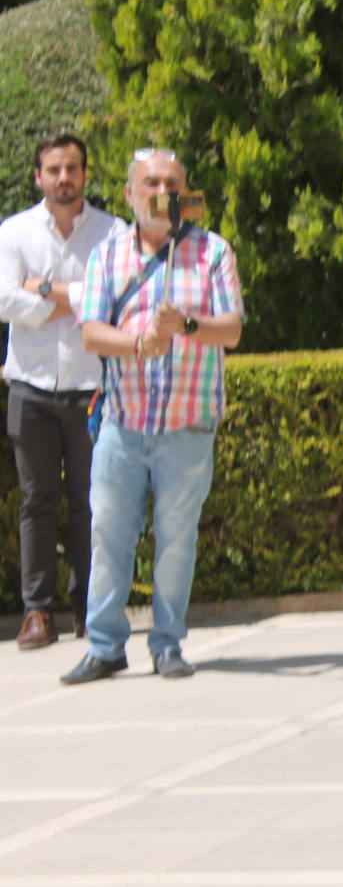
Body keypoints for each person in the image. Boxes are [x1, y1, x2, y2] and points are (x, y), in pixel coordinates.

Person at [60, 148, 243, 685]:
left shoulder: (211, 251)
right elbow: (92, 332)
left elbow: (230, 329)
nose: (161, 191)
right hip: (123, 421)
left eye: (171, 182)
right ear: (129, 194)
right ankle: (105, 644)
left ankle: (167, 644)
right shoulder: (107, 255)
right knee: (109, 535)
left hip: (187, 421)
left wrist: (186, 324)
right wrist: (142, 343)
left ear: (185, 193)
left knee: (176, 538)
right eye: (151, 182)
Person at [0, 134, 123, 649]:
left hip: (92, 386)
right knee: (37, 502)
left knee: (92, 501)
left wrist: (45, 290)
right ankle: (37, 612)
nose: (63, 178)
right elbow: (5, 302)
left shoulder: (112, 232)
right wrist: (78, 299)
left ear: (84, 175)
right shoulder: (14, 232)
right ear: (39, 177)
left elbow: (113, 297)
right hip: (30, 385)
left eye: (72, 168)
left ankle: (87, 608)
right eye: (54, 169)